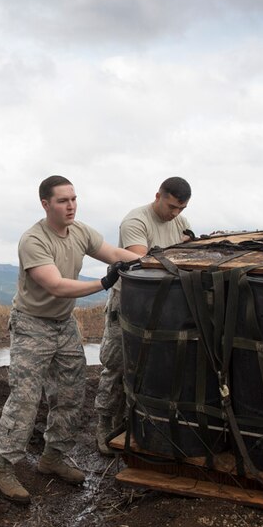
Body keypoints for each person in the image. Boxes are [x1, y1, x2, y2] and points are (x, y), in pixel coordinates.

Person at [0, 175, 142, 503]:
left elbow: (113, 252)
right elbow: (57, 285)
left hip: (63, 324)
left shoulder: (81, 231)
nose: (71, 205)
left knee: (72, 394)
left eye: (74, 199)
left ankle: (53, 458)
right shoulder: (33, 240)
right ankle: (4, 468)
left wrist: (151, 259)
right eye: (63, 200)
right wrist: (104, 283)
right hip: (32, 325)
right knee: (26, 398)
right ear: (46, 204)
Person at [95, 177, 193, 455]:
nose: (175, 214)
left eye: (181, 209)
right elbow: (143, 262)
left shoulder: (180, 221)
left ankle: (130, 422)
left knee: (148, 367)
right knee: (116, 364)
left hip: (165, 303)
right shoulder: (136, 221)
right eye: (172, 206)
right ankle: (103, 425)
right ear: (158, 196)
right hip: (128, 301)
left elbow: (189, 243)